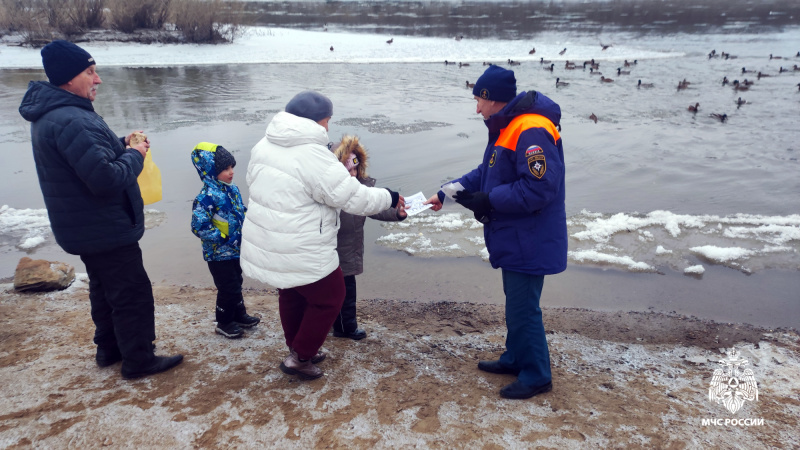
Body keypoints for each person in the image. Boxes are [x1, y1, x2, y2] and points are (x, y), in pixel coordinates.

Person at [18, 40, 183, 379]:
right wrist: (135, 155)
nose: (98, 79)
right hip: (103, 228)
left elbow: (87, 157)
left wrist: (121, 143)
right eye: (90, 72)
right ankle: (139, 360)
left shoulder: (59, 114)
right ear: (68, 79)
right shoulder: (70, 119)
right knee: (131, 292)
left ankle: (109, 348)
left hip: (85, 227)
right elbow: (106, 179)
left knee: (104, 287)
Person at [424, 65, 567, 399]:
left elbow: (540, 188)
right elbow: (486, 173)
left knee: (524, 308)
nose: (476, 108)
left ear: (492, 99)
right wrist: (448, 193)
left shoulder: (530, 130)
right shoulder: (508, 127)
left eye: (478, 100)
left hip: (530, 237)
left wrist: (488, 200)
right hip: (515, 235)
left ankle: (536, 375)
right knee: (516, 304)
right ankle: (516, 358)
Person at [241, 90, 404, 380]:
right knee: (332, 295)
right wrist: (390, 197)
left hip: (272, 237)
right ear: (315, 121)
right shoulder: (313, 155)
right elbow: (352, 197)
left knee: (291, 291)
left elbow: (254, 183)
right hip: (302, 241)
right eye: (327, 121)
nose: (328, 127)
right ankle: (301, 357)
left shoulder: (263, 145)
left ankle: (299, 348)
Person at [331, 136, 407, 340]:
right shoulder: (333, 194)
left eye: (356, 169)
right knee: (340, 292)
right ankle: (344, 328)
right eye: (348, 171)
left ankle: (343, 326)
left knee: (346, 290)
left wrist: (396, 214)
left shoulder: (360, 191)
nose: (353, 174)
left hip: (349, 249)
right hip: (334, 251)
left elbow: (374, 208)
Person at [190, 142, 261, 339]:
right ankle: (223, 322)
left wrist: (250, 221)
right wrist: (222, 238)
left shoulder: (232, 190)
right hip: (218, 253)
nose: (231, 172)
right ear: (210, 171)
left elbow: (239, 211)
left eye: (231, 167)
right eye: (224, 169)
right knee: (227, 287)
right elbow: (199, 226)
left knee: (236, 281)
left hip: (236, 249)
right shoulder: (206, 198)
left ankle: (239, 315)